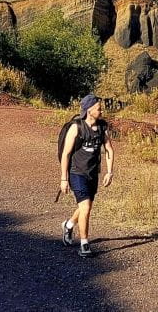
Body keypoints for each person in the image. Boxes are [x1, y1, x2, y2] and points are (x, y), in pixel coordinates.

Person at [60, 94, 114, 257]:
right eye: (99, 108)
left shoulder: (102, 128)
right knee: (86, 207)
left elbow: (109, 150)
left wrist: (109, 172)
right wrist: (64, 178)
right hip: (77, 173)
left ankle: (68, 226)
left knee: (85, 206)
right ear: (89, 111)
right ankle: (84, 244)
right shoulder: (76, 127)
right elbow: (66, 154)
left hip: (92, 174)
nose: (102, 110)